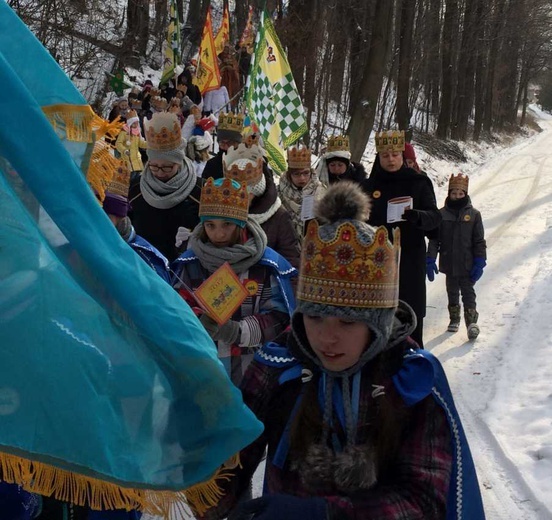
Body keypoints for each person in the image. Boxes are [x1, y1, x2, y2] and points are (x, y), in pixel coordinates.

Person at [193, 182, 485, 520]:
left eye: (347, 323)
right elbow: (229, 466)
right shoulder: (279, 364)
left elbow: (423, 501)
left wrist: (325, 514)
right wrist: (195, 466)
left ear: (377, 322)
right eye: (315, 317)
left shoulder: (408, 379)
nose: (327, 338)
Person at [171, 177, 296, 386]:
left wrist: (237, 331)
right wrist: (195, 319)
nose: (218, 234)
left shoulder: (265, 265)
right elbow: (175, 304)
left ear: (240, 224)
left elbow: (279, 316)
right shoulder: (190, 263)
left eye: (227, 224)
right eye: (210, 225)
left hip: (252, 370)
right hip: (202, 369)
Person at [363, 130, 441, 348]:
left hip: (409, 259)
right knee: (376, 318)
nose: (390, 159)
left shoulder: (418, 182)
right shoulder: (368, 187)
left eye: (395, 155)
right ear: (378, 157)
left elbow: (435, 218)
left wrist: (418, 216)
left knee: (411, 314)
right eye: (385, 155)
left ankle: (414, 360)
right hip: (376, 262)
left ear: (401, 156)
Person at [128, 111, 203, 261]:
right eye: (154, 166)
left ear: (179, 162)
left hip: (181, 271)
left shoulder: (199, 191)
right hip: (143, 266)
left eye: (167, 167)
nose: (160, 173)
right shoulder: (136, 188)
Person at [427, 173, 487, 339]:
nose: (457, 196)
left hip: (467, 263)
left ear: (465, 194)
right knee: (452, 291)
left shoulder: (474, 215)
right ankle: (454, 319)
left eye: (461, 193)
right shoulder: (441, 214)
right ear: (449, 194)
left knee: (468, 293)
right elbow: (434, 240)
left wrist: (480, 260)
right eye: (454, 193)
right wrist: (430, 258)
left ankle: (471, 323)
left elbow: (479, 240)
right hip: (449, 261)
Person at [223, 143, 300, 268]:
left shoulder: (279, 216)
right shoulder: (221, 213)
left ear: (256, 192)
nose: (238, 198)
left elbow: (290, 259)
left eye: (246, 194)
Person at [102, 161, 172, 284]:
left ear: (120, 216)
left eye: (104, 215)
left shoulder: (146, 258)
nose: (97, 220)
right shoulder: (74, 249)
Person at [277, 144, 325, 245]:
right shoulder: (278, 194)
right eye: (297, 174)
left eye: (306, 173)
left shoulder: (321, 193)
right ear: (289, 175)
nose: (302, 178)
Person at [202, 111, 244, 180]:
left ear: (238, 143)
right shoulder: (212, 165)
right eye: (222, 143)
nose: (226, 147)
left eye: (230, 143)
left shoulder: (246, 162)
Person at [114, 109, 147, 183]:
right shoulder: (124, 133)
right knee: (128, 179)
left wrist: (150, 144)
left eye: (137, 123)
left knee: (136, 179)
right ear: (130, 123)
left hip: (137, 160)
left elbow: (141, 143)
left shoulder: (137, 133)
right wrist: (124, 150)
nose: (136, 125)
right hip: (127, 159)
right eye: (134, 123)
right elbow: (118, 143)